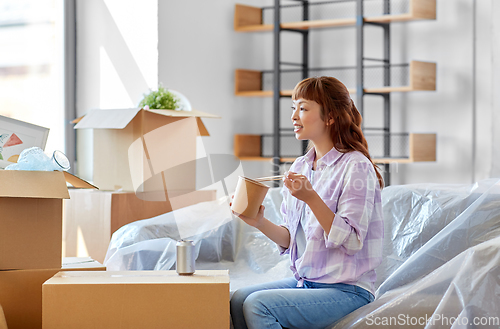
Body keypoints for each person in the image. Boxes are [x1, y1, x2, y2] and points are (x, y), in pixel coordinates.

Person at [230, 76, 384, 329]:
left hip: (348, 290)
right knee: (239, 300)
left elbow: (353, 240)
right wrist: (258, 221)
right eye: (294, 108)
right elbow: (292, 239)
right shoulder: (301, 166)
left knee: (258, 305)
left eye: (303, 108)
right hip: (308, 283)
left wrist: (311, 198)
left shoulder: (356, 166)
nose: (294, 117)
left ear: (330, 116)